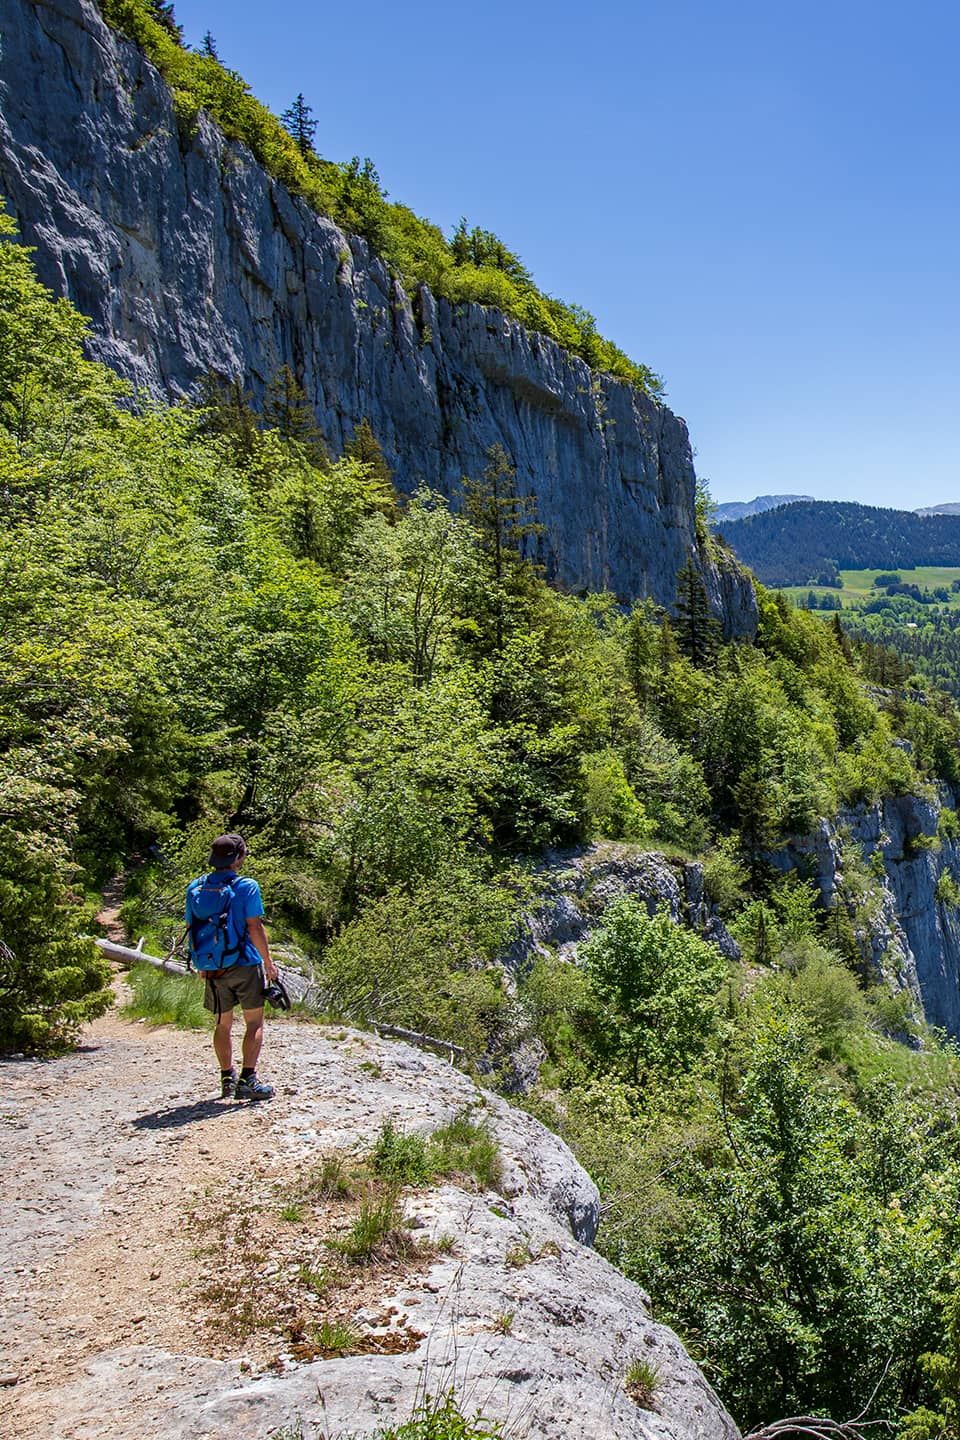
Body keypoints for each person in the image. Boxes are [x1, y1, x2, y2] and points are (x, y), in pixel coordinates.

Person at [185, 833, 278, 1101]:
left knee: (222, 1024)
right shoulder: (246, 886)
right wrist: (268, 962)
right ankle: (248, 1079)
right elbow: (254, 927)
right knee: (254, 1022)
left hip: (214, 966)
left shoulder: (196, 888)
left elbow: (191, 927)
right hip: (245, 963)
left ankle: (226, 1078)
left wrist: (202, 961)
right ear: (238, 858)